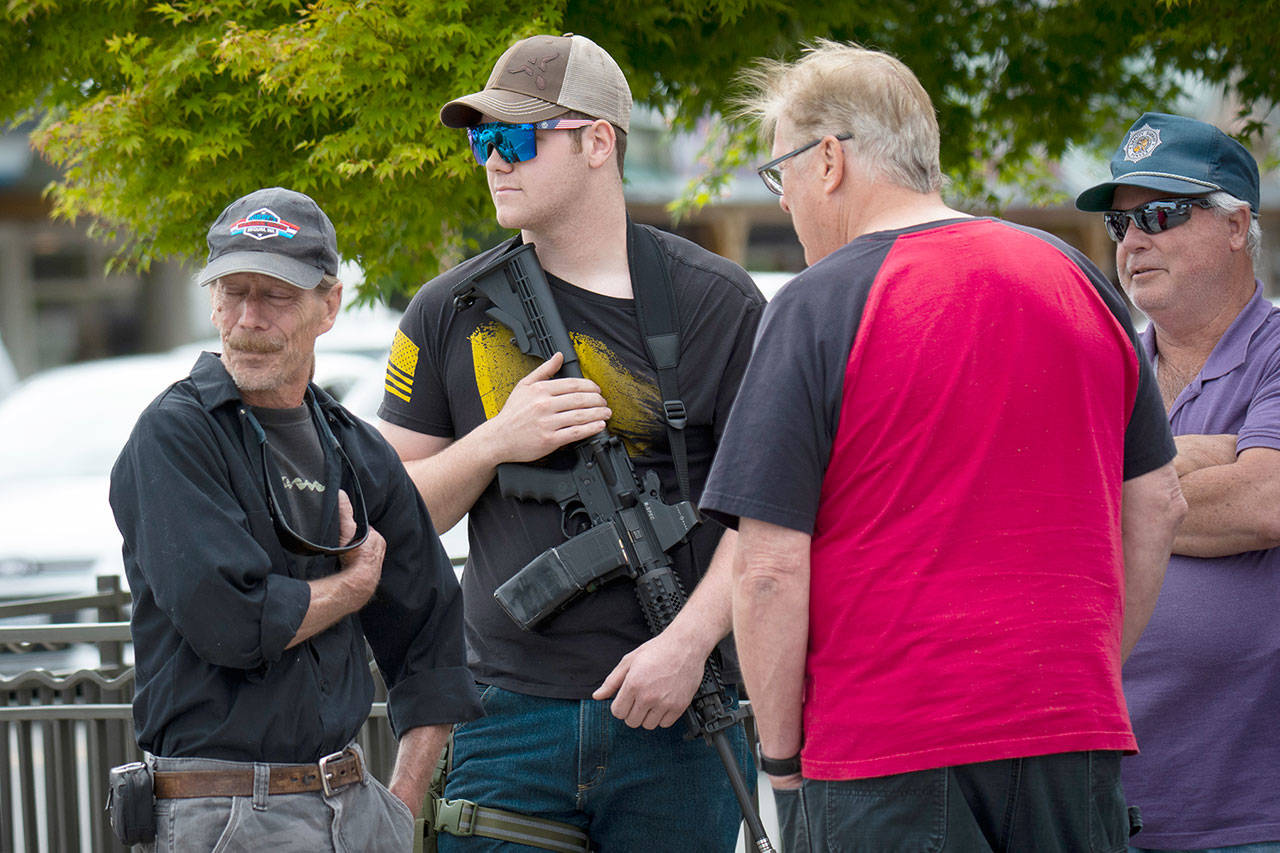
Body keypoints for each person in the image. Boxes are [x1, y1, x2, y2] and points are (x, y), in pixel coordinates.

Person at [700, 41, 1188, 852]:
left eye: (777, 172)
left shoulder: (818, 304)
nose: (783, 201)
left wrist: (782, 763)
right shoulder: (1079, 278)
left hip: (884, 751)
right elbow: (1160, 503)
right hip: (1073, 736)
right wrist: (1081, 667)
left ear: (828, 161)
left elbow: (769, 569)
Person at [376, 33, 765, 852]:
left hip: (679, 709)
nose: (492, 161)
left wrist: (689, 644)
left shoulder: (713, 301)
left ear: (597, 142)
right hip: (507, 716)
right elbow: (395, 516)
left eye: (516, 138)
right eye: (482, 140)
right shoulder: (447, 310)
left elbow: (768, 513)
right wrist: (493, 443)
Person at [109, 187, 481, 851]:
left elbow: (432, 634)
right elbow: (229, 619)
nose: (249, 317)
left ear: (329, 305)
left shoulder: (355, 447)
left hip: (351, 809)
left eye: (275, 294)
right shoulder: (173, 435)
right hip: (217, 816)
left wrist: (398, 808)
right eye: (233, 290)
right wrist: (353, 586)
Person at [1076, 112, 1280, 853]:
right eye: (1120, 222)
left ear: (1236, 227)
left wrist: (1093, 487)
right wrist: (1205, 456)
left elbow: (1263, 502)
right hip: (1095, 802)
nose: (1133, 240)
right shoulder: (1098, 366)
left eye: (1160, 213)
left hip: (1243, 813)